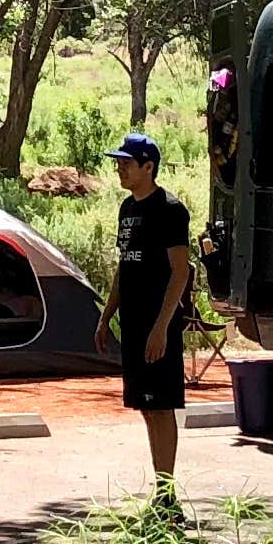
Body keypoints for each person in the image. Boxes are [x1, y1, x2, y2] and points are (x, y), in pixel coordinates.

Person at [110, 130, 195, 501]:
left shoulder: (169, 210)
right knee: (145, 406)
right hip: (132, 321)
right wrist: (105, 315)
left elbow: (181, 270)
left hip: (157, 323)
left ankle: (167, 491)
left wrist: (162, 326)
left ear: (149, 166)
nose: (120, 170)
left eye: (127, 164)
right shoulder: (127, 209)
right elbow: (123, 266)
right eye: (118, 164)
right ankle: (160, 488)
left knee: (162, 406)